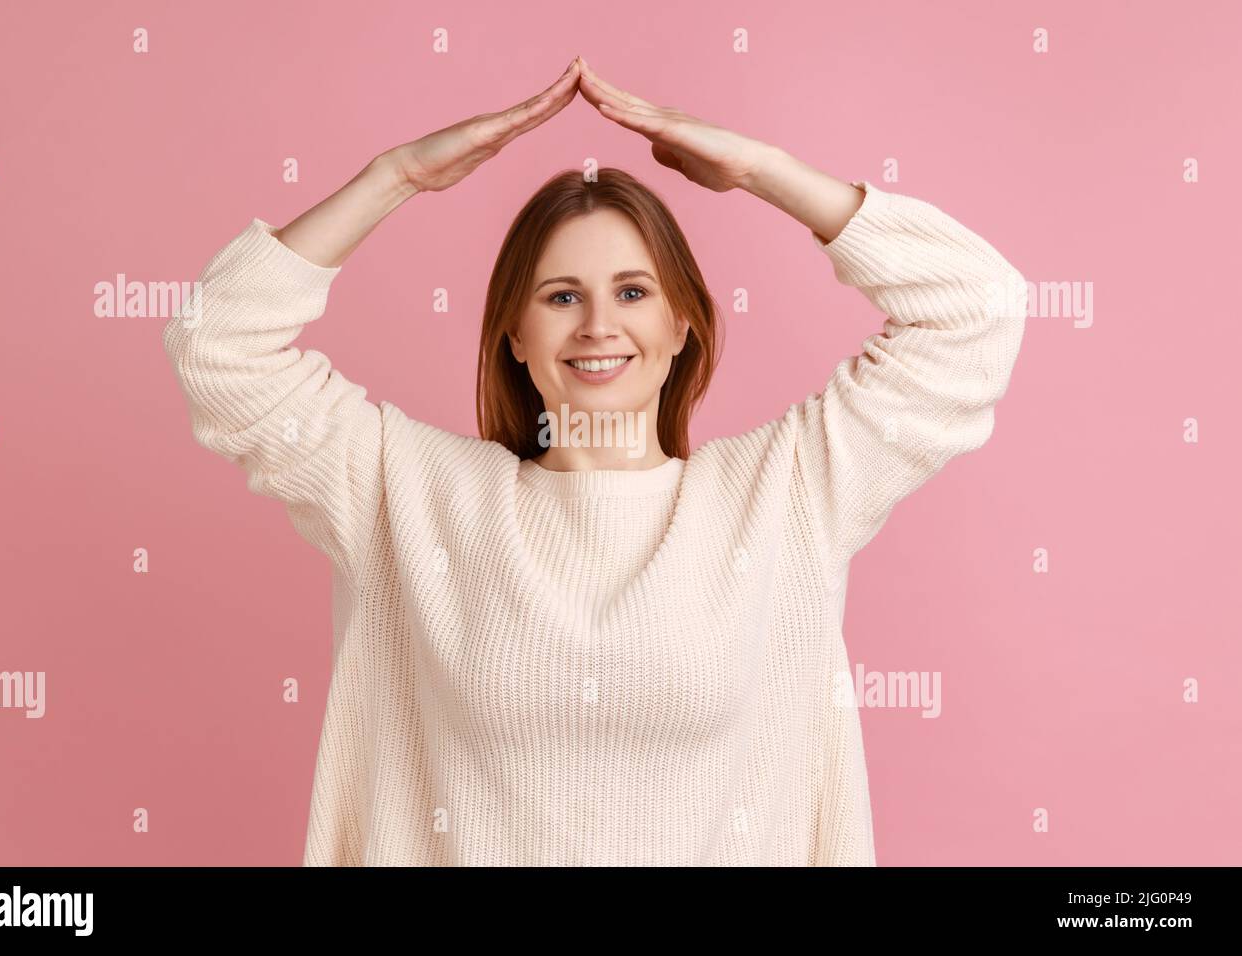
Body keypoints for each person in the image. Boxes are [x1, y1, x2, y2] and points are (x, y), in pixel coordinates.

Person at [161, 55, 1027, 865]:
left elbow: (975, 310)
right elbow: (220, 346)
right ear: (516, 333)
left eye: (634, 292)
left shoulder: (787, 494)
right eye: (562, 296)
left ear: (682, 324)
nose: (599, 327)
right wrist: (398, 178)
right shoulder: (406, 494)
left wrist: (763, 172)